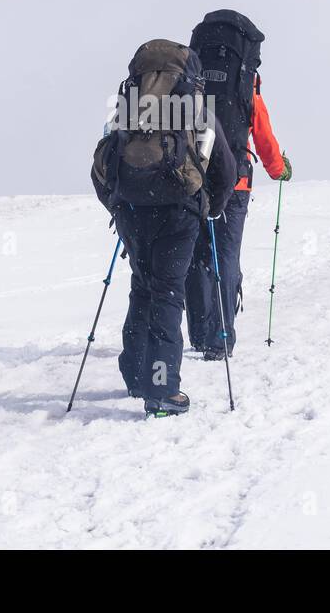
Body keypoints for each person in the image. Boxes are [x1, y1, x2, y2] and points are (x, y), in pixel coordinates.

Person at [91, 39, 236, 416]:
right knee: (169, 293)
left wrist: (118, 206)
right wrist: (210, 209)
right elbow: (226, 170)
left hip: (132, 211)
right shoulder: (196, 107)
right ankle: (162, 389)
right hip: (179, 213)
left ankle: (137, 377)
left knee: (143, 288)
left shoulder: (127, 107)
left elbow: (101, 166)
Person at [184, 11, 292, 361]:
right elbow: (261, 133)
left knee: (197, 253)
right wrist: (278, 170)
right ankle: (221, 337)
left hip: (192, 178)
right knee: (225, 255)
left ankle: (200, 334)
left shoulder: (193, 82)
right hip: (235, 183)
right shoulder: (246, 83)